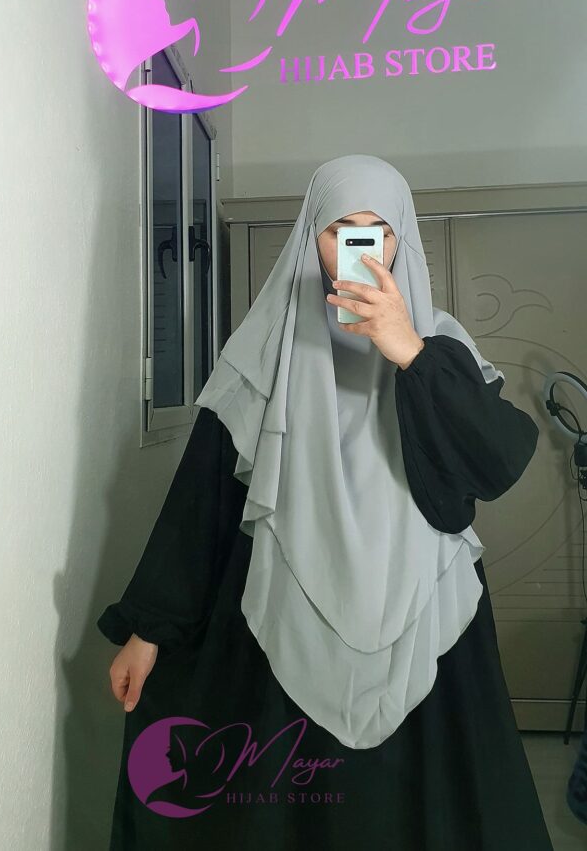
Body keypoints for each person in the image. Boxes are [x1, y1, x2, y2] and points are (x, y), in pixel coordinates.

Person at [97, 154, 554, 850]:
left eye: (379, 232)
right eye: (341, 230)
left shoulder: (442, 345)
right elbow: (203, 498)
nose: (360, 249)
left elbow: (494, 463)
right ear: (310, 237)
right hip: (284, 616)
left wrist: (410, 352)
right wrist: (148, 629)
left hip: (423, 624)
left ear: (401, 242)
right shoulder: (263, 350)